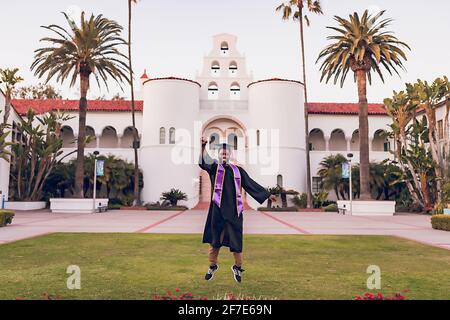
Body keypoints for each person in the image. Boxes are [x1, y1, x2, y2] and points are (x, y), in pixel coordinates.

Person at [199, 137, 276, 283]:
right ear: (218, 155)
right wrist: (203, 147)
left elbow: (250, 184)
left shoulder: (238, 171)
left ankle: (237, 267)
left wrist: (267, 195)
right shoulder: (214, 168)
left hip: (235, 212)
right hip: (218, 210)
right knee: (215, 241)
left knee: (236, 241)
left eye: (226, 153)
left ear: (230, 155)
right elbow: (204, 162)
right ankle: (212, 266)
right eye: (222, 153)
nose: (224, 155)